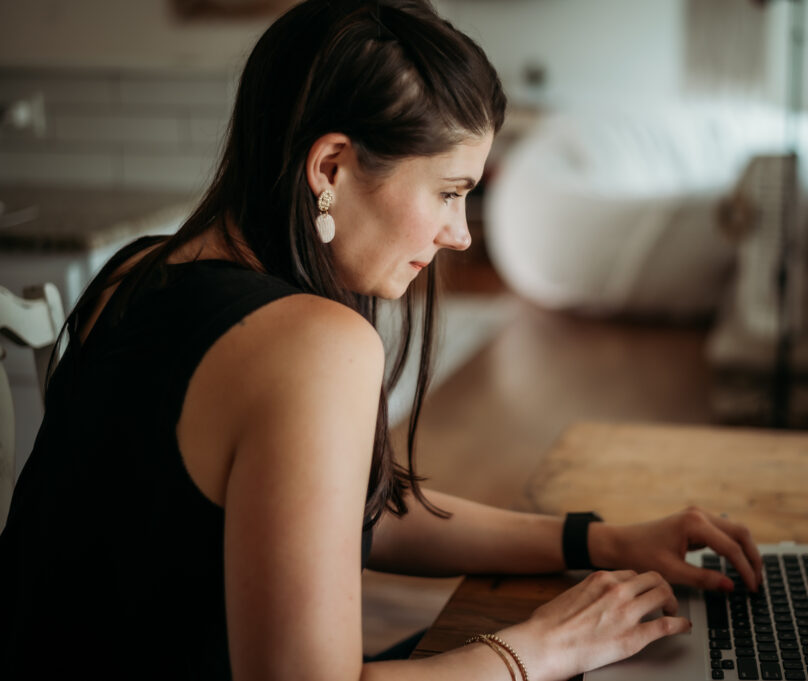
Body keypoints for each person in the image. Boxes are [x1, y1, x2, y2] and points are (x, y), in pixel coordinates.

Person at [0, 1, 762, 679]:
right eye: (449, 192)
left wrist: (598, 539)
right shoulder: (312, 343)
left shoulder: (135, 271)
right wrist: (543, 648)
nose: (461, 234)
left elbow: (347, 510)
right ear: (330, 166)